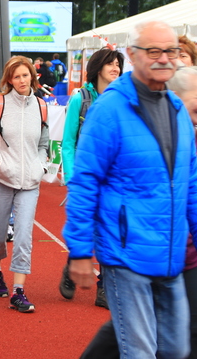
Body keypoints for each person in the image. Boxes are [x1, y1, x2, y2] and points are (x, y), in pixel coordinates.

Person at [64, 20, 197, 359]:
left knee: (176, 350)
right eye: (154, 51)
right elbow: (85, 183)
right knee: (140, 352)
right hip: (126, 256)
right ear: (133, 55)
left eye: (171, 51)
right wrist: (79, 251)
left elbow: (192, 183)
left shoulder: (177, 109)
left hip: (171, 256)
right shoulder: (109, 110)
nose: (164, 58)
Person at [0, 56, 49, 313]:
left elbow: (44, 144)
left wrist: (40, 166)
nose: (22, 80)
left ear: (32, 76)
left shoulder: (41, 106)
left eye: (25, 75)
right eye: (16, 76)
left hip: (30, 182)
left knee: (23, 235)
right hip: (0, 179)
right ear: (9, 79)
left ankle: (18, 291)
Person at [59, 47, 124, 308]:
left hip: (115, 179)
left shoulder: (123, 100)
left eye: (118, 64)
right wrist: (72, 177)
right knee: (89, 225)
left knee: (111, 230)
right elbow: (68, 142)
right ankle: (72, 265)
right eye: (110, 63)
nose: (115, 68)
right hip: (87, 176)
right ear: (98, 68)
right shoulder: (80, 99)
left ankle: (104, 287)